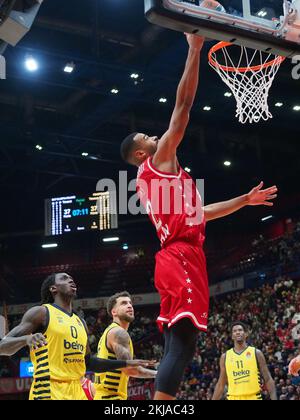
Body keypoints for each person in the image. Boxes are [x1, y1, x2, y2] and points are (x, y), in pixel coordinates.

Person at [120, 33, 278, 400]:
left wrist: (245, 200)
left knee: (182, 343)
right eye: (147, 135)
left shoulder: (156, 177)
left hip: (177, 254)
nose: (155, 134)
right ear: (143, 153)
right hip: (180, 256)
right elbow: (184, 105)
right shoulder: (158, 163)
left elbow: (203, 212)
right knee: (183, 343)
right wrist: (194, 48)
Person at [0, 273, 153, 400]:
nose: (71, 280)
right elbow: (3, 346)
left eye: (71, 279)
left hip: (78, 391)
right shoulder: (41, 313)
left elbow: (89, 363)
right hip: (49, 390)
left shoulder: (81, 322)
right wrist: (25, 339)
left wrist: (125, 363)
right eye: (64, 279)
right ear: (53, 288)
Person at [94, 291, 157, 400]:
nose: (129, 306)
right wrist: (159, 374)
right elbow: (130, 370)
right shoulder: (118, 332)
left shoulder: (110, 332)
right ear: (114, 312)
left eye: (130, 303)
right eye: (123, 303)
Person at [212, 322, 277, 400]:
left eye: (240, 330)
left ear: (246, 334)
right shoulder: (225, 357)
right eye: (235, 331)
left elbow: (268, 379)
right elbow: (220, 384)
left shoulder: (256, 353)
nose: (238, 332)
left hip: (254, 397)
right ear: (232, 336)